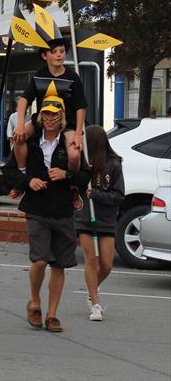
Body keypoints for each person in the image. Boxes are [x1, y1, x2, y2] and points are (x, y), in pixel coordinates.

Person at [4, 94, 89, 333]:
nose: (50, 119)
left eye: (55, 114)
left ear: (62, 118)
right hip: (37, 208)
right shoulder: (29, 143)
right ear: (41, 117)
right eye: (47, 114)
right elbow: (9, 172)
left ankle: (52, 315)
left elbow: (85, 176)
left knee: (59, 265)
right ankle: (34, 301)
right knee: (40, 260)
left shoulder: (70, 144)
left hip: (63, 210)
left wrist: (67, 175)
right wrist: (28, 181)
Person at [13, 37, 87, 175]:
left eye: (62, 51)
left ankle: (73, 184)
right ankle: (22, 173)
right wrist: (20, 124)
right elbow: (23, 100)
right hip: (43, 120)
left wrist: (78, 134)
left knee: (74, 154)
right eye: (54, 51)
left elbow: (81, 107)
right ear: (44, 55)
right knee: (18, 138)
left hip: (68, 123)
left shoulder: (73, 77)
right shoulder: (38, 75)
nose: (59, 54)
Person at [76, 125, 123, 321]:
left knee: (106, 265)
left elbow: (119, 195)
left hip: (105, 220)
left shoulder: (113, 165)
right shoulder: (83, 164)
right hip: (86, 218)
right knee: (91, 260)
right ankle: (95, 305)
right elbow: (74, 185)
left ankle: (91, 289)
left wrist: (95, 194)